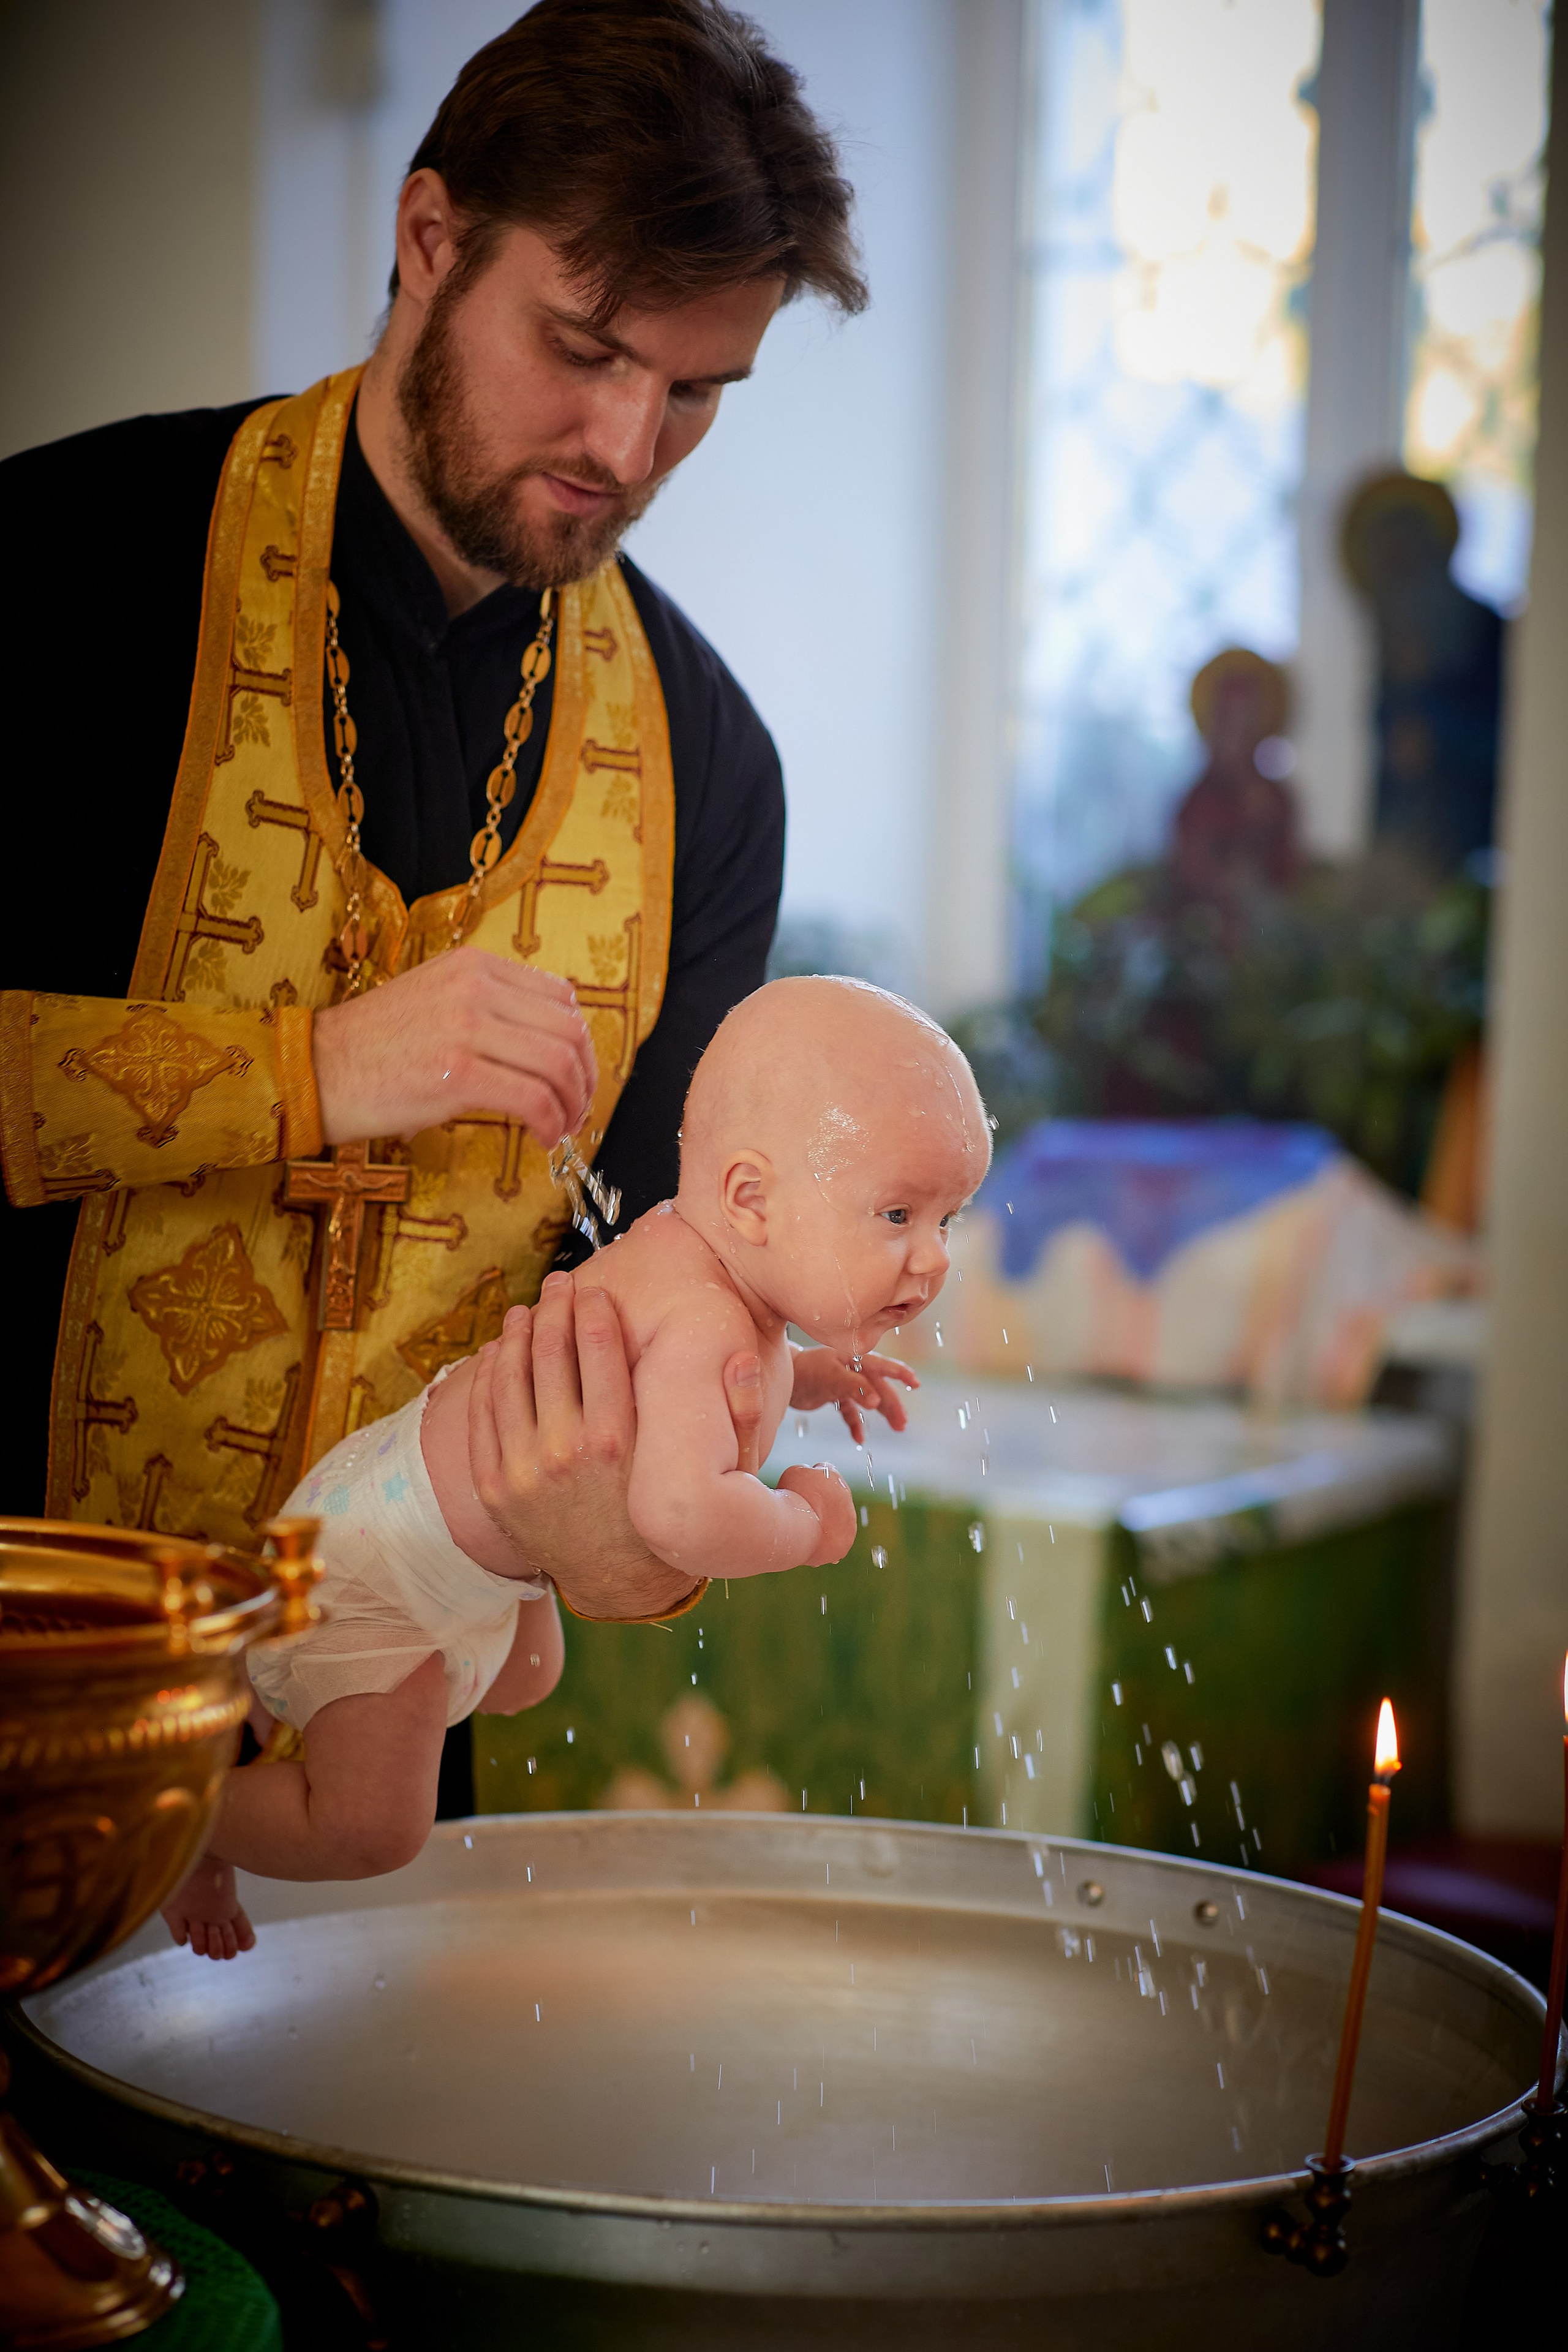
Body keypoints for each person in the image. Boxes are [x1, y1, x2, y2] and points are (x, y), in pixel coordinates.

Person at [0, 0, 870, 1776]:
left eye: (698, 391)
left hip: (377, 1763)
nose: (630, 447)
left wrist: (642, 1501)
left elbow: (648, 1293)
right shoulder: (57, 569)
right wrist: (312, 1072)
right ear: (428, 239)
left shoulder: (713, 769)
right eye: (584, 347)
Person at [163, 980, 990, 1958]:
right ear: (752, 1199)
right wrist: (804, 1528)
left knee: (528, 1673)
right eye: (899, 1214)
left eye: (950, 1217)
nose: (934, 1259)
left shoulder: (710, 1277)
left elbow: (724, 1383)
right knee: (371, 1828)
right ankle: (186, 1823)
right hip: (370, 1568)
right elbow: (681, 1511)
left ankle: (244, 1708)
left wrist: (811, 1378)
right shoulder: (703, 1321)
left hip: (391, 1520)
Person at [1341, 470, 1504, 878]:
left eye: (1408, 560)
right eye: (1389, 568)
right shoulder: (1392, 651)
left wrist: (1436, 727)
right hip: (1405, 851)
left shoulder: (1485, 633)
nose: (1400, 584)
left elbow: (1509, 745)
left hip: (1477, 852)